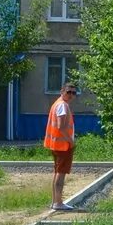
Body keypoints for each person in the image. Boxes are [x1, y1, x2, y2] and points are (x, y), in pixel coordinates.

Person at [43, 83, 78, 211]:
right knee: (61, 173)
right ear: (62, 91)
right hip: (63, 145)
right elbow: (61, 126)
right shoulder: (62, 106)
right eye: (69, 92)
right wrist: (71, 141)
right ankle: (58, 203)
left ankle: (55, 202)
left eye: (74, 93)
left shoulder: (58, 103)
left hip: (57, 144)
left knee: (58, 172)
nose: (71, 95)